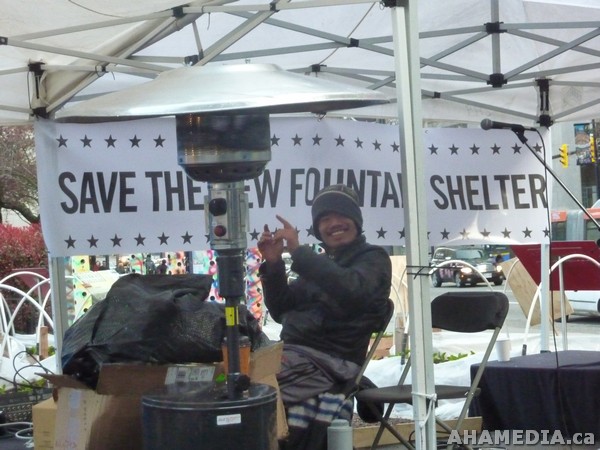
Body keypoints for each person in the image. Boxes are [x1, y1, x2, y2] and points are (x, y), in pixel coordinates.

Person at [258, 184, 392, 450]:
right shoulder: (321, 263)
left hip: (331, 359)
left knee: (258, 393)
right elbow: (281, 309)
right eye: (325, 219)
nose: (334, 224)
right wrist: (273, 264)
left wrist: (299, 252)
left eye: (341, 216)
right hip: (294, 353)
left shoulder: (374, 258)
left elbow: (351, 290)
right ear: (318, 229)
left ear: (356, 221)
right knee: (234, 381)